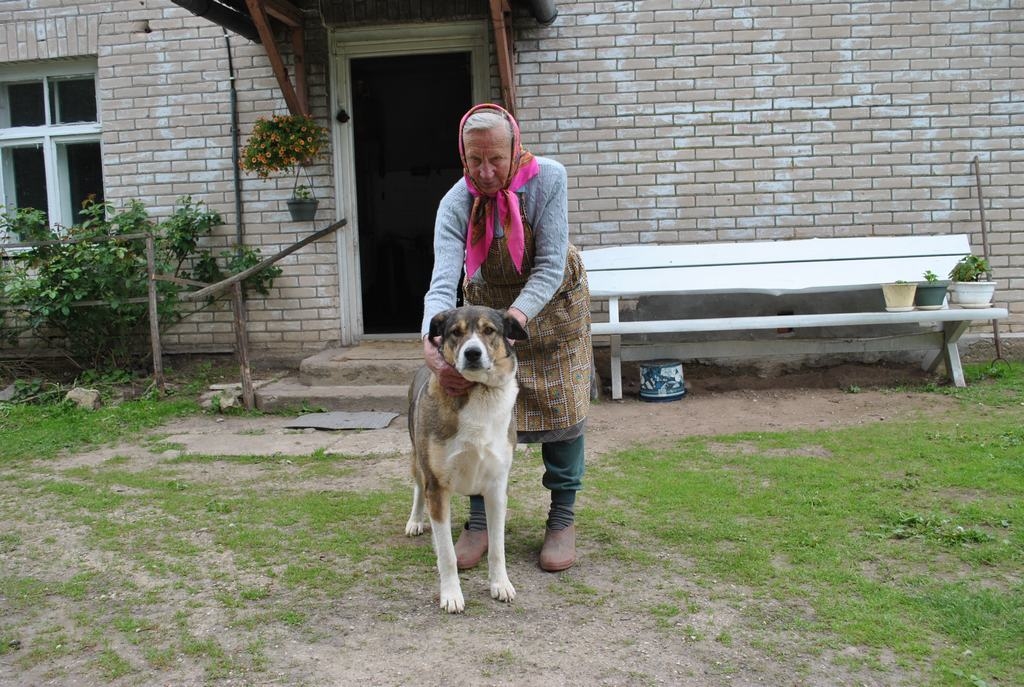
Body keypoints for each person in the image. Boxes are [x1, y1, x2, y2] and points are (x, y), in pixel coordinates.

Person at [420, 103, 592, 572]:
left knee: (563, 409)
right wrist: (433, 346)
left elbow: (550, 265)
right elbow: (441, 282)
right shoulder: (456, 202)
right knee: (478, 417)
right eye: (474, 160)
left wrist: (509, 327)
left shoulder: (549, 179)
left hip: (550, 309)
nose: (486, 170)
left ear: (516, 149)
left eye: (496, 158)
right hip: (486, 322)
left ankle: (561, 518)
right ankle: (477, 520)